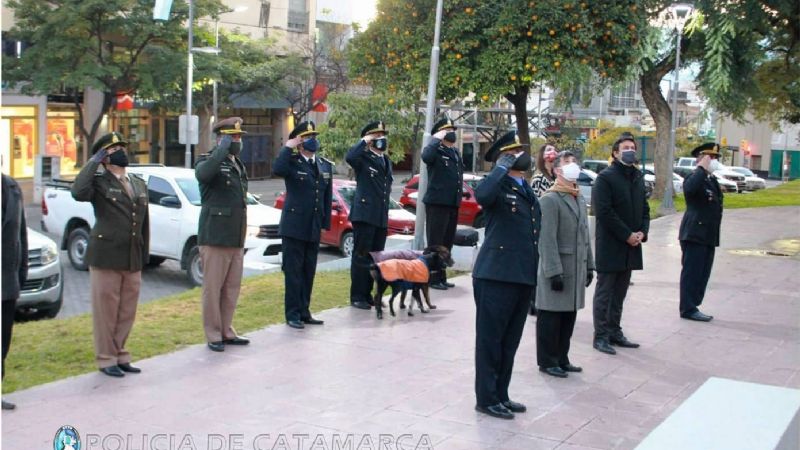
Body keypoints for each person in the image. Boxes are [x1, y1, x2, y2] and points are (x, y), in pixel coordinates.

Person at [472, 130, 540, 420]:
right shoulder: (496, 186)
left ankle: (501, 393)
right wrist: (499, 168)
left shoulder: (525, 187)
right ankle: (486, 399)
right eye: (514, 153)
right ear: (504, 158)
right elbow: (482, 196)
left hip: (521, 275)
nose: (521, 155)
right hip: (496, 275)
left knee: (509, 342)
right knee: (491, 341)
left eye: (521, 151)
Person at [71, 132, 150, 377]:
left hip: (132, 256)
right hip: (106, 255)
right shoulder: (98, 182)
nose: (121, 152)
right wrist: (93, 162)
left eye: (121, 147)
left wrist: (144, 254)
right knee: (106, 310)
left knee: (127, 310)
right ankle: (106, 358)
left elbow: (144, 222)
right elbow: (78, 191)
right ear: (104, 156)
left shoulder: (138, 182)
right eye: (114, 149)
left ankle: (120, 354)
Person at [535, 151, 595, 378]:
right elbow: (547, 239)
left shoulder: (578, 197)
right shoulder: (550, 200)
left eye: (574, 161)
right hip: (558, 269)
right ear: (557, 170)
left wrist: (590, 265)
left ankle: (562, 357)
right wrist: (553, 272)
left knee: (568, 317)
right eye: (567, 162)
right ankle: (547, 361)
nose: (573, 165)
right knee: (551, 318)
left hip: (575, 267)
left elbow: (584, 235)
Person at [591, 133, 649, 355]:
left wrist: (642, 232)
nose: (630, 151)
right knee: (605, 292)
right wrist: (627, 234)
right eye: (625, 148)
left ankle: (615, 331)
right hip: (611, 244)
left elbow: (644, 208)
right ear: (615, 153)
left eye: (632, 147)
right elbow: (604, 212)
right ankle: (601, 336)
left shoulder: (637, 176)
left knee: (620, 292)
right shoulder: (605, 178)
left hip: (631, 245)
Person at [196, 117, 251, 352]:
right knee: (213, 288)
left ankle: (227, 330)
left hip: (235, 235)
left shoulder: (236, 164)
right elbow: (203, 175)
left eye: (238, 137)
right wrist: (220, 150)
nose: (237, 141)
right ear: (221, 139)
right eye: (233, 137)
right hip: (215, 236)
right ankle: (213, 333)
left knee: (231, 288)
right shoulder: (208, 160)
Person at [273, 121, 333, 329]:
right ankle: (292, 314)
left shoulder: (324, 165)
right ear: (299, 142)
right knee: (293, 272)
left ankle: (305, 311)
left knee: (309, 271)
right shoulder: (291, 162)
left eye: (313, 136)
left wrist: (325, 223)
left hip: (313, 226)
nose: (312, 140)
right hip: (294, 226)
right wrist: (287, 147)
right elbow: (277, 169)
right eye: (307, 137)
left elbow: (326, 196)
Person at [346, 121, 393, 310]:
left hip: (380, 216)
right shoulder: (363, 158)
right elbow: (350, 157)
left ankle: (369, 294)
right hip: (365, 215)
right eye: (377, 136)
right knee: (361, 257)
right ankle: (358, 296)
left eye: (383, 135)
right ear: (369, 139)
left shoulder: (385, 160)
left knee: (376, 258)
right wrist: (365, 141)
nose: (381, 139)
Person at [678, 143, 724, 322]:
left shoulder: (711, 180)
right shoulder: (694, 177)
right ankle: (688, 308)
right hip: (694, 233)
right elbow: (690, 190)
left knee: (703, 273)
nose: (714, 161)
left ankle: (694, 304)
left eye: (715, 158)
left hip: (708, 235)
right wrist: (701, 168)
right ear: (701, 158)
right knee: (692, 273)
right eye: (710, 157)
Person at [422, 118, 463, 290]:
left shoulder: (455, 152)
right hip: (437, 203)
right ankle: (432, 278)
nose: (451, 132)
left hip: (452, 203)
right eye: (447, 130)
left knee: (447, 242)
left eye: (453, 129)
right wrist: (435, 139)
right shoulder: (435, 150)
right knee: (436, 242)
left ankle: (441, 276)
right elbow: (426, 157)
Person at [2, 174, 28, 409]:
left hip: (7, 281)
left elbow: (21, 234)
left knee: (3, 342)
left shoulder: (11, 187)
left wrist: (22, 270)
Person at [529, 143, 559, 315]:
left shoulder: (556, 177)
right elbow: (535, 204)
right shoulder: (539, 178)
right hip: (541, 227)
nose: (552, 152)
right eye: (548, 149)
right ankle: (534, 301)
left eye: (554, 149)